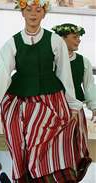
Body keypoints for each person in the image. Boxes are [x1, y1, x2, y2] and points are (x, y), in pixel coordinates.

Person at [0, 0, 83, 182]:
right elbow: (1, 76)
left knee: (39, 142)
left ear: (44, 13)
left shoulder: (55, 40)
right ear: (22, 13)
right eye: (29, 10)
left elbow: (64, 74)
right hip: (19, 101)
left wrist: (73, 106)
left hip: (49, 101)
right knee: (20, 146)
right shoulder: (12, 43)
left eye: (38, 10)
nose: (33, 14)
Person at [52, 23, 94, 181]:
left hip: (76, 111)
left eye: (79, 37)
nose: (78, 40)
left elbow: (89, 86)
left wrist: (94, 107)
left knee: (77, 145)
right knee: (55, 146)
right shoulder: (51, 61)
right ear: (62, 39)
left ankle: (73, 175)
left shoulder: (83, 62)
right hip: (53, 110)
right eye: (74, 37)